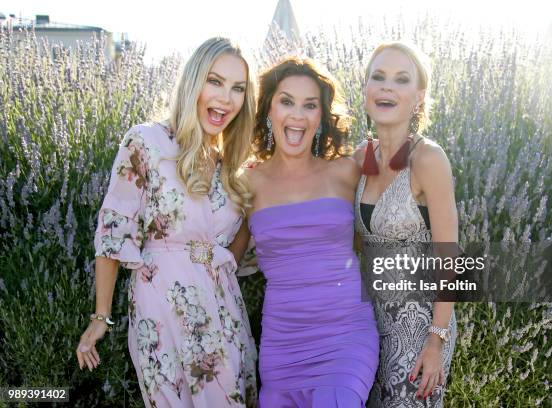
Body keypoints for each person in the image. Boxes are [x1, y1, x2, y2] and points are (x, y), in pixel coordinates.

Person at [75, 37, 258, 407]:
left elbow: (245, 234)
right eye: (215, 81)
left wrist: (222, 263)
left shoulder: (233, 165)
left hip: (223, 309)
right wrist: (101, 316)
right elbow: (114, 228)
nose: (226, 98)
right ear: (193, 81)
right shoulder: (147, 142)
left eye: (238, 88)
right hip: (161, 304)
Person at [235, 57, 379, 407]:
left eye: (309, 105)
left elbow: (403, 197)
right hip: (282, 344)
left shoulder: (348, 171)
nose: (297, 115)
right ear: (268, 110)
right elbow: (225, 261)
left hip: (345, 336)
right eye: (286, 102)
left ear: (321, 116)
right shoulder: (246, 184)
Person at [353, 42, 458, 406]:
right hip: (367, 331)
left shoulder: (428, 159)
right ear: (364, 89)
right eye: (378, 77)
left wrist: (436, 340)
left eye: (401, 80)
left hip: (420, 334)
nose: (386, 87)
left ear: (418, 97)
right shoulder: (360, 159)